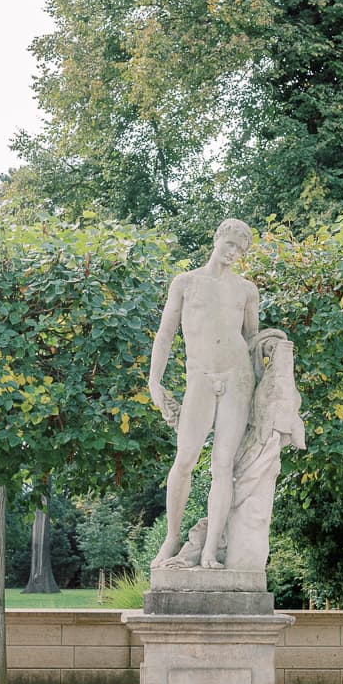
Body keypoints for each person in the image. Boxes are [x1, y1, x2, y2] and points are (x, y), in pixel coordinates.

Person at [148, 219, 258, 568]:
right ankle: (172, 538)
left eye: (239, 250)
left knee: (223, 466)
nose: (232, 253)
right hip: (199, 377)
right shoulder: (186, 283)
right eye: (229, 244)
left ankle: (210, 549)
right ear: (216, 239)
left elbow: (253, 342)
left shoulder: (246, 290)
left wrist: (264, 394)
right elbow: (165, 335)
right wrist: (154, 380)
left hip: (237, 379)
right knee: (185, 459)